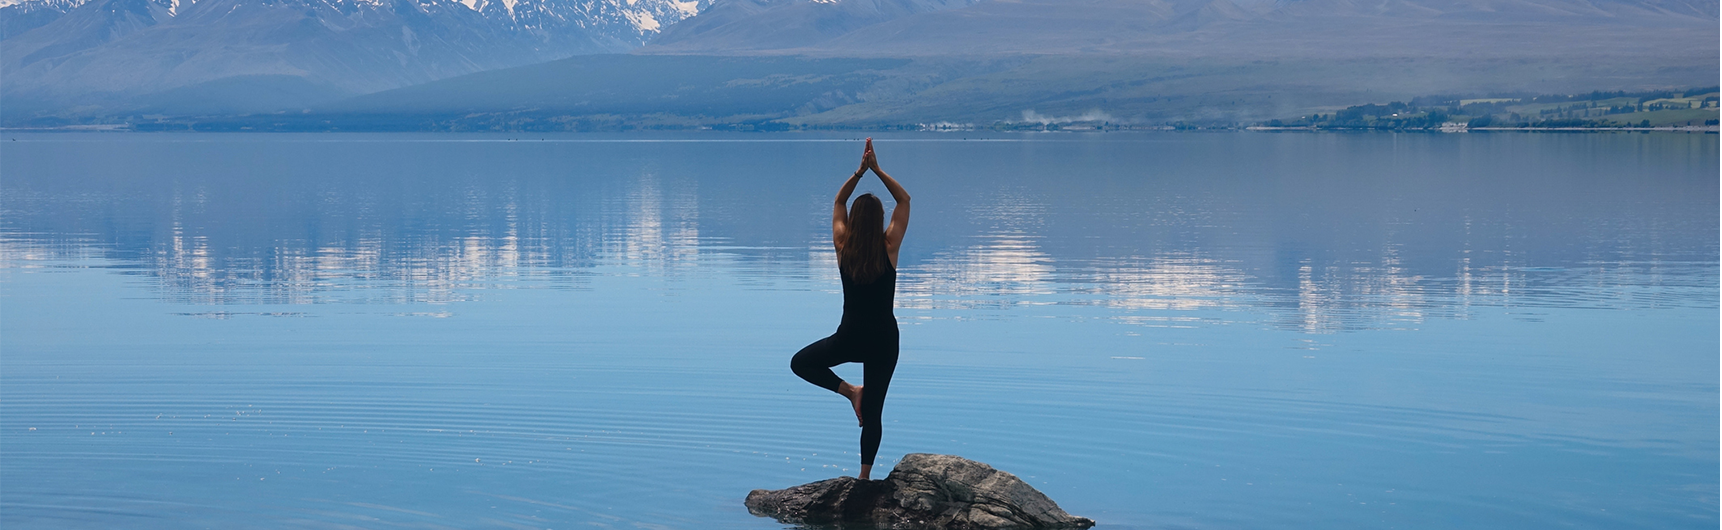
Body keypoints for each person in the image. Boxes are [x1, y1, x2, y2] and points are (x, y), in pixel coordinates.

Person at [789, 138, 911, 481]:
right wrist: (878, 171)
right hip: (884, 341)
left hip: (850, 338)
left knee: (800, 363)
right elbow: (905, 199)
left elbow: (839, 200)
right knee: (873, 413)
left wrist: (859, 173)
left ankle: (849, 392)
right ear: (881, 220)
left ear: (855, 221)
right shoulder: (889, 247)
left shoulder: (843, 246)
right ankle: (863, 478)